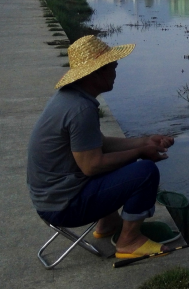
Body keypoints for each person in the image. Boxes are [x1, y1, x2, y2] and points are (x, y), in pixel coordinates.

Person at [27, 35, 175, 259]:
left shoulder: (71, 98)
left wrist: (144, 141)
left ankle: (108, 224)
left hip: (51, 199)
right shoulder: (80, 109)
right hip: (63, 206)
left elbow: (98, 143)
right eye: (112, 67)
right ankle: (129, 241)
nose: (115, 73)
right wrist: (140, 153)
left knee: (121, 159)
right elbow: (92, 166)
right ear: (95, 73)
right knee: (145, 172)